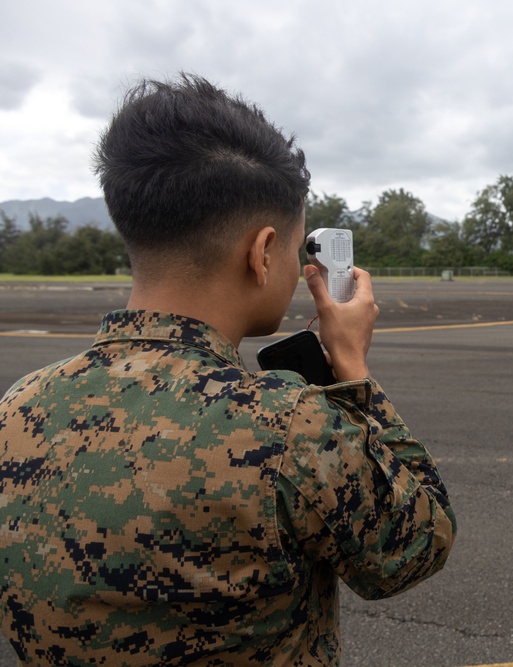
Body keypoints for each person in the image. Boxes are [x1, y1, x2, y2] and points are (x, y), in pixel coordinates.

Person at [0, 73, 456, 666]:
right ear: (262, 252)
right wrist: (352, 373)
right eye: (295, 250)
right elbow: (418, 544)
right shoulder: (290, 427)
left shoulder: (16, 409)